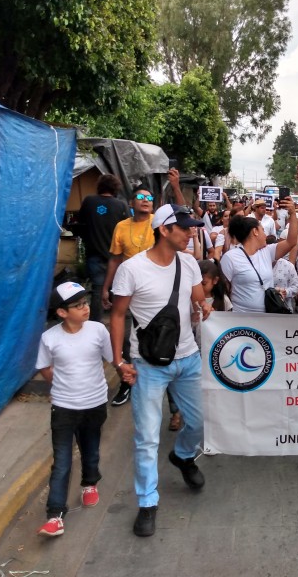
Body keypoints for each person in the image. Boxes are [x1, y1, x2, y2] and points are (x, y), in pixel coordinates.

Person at [110, 204, 213, 538]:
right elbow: (117, 315)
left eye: (192, 227)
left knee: (199, 423)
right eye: (184, 228)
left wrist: (205, 305)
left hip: (189, 359)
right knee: (147, 438)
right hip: (148, 364)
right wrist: (119, 360)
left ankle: (182, 456)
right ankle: (147, 502)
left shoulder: (188, 263)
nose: (191, 232)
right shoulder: (132, 269)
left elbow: (197, 298)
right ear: (165, 230)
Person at [103, 169, 186, 406]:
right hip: (129, 288)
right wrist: (106, 287)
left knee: (167, 336)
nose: (146, 201)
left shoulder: (160, 224)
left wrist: (176, 187)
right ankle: (127, 382)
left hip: (158, 290)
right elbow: (114, 259)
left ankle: (173, 402)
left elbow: (182, 215)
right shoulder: (121, 227)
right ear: (131, 203)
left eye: (150, 198)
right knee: (131, 339)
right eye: (141, 197)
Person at [35, 282, 113, 537]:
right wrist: (66, 386)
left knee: (90, 448)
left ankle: (90, 483)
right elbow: (46, 369)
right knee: (62, 461)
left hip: (95, 403)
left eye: (85, 303)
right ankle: (55, 514)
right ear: (61, 312)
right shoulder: (49, 338)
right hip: (64, 407)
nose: (85, 308)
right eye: (77, 306)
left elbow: (110, 358)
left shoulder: (99, 331)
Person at [220, 199, 298, 313]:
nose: (266, 234)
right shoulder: (230, 257)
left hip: (267, 317)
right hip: (241, 319)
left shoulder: (267, 252)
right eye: (262, 230)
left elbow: (291, 241)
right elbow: (222, 290)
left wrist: (292, 214)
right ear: (255, 232)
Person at [76, 174, 129, 322]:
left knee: (98, 291)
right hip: (117, 257)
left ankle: (95, 324)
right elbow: (127, 229)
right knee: (119, 289)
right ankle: (117, 322)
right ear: (115, 188)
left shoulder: (88, 201)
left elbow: (80, 224)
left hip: (94, 255)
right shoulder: (121, 205)